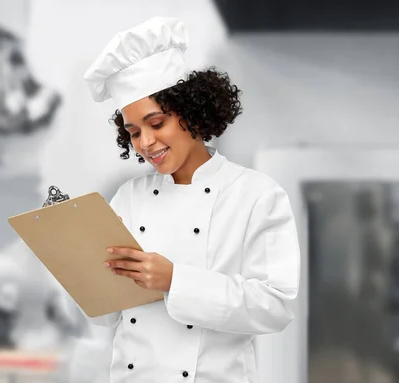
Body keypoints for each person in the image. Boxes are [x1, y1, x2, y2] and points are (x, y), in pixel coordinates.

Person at [81, 17, 301, 382]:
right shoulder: (128, 198)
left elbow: (276, 307)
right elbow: (104, 315)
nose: (146, 143)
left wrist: (175, 281)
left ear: (191, 111)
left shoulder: (256, 195)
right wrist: (78, 265)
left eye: (156, 123)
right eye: (134, 132)